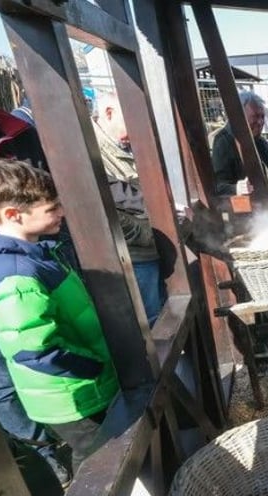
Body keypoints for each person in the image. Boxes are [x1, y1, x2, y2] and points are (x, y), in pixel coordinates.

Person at [0, 160, 120, 473]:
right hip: (69, 394)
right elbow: (34, 350)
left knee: (102, 451)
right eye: (51, 208)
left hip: (81, 386)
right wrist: (92, 365)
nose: (61, 212)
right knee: (98, 462)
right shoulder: (15, 275)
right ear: (13, 215)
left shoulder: (33, 251)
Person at [0, 41, 70, 487]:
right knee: (2, 376)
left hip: (42, 265)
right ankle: (46, 460)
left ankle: (73, 432)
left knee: (54, 347)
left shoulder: (18, 134)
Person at [93, 94, 166, 325]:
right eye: (131, 120)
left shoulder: (130, 145)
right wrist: (155, 221)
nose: (136, 129)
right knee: (153, 322)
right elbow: (115, 204)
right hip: (134, 254)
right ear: (109, 113)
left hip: (151, 247)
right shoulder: (92, 151)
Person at [211, 91, 268, 198]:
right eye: (255, 116)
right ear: (239, 117)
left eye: (262, 117)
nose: (260, 122)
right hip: (242, 211)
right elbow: (217, 186)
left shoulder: (261, 142)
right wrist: (236, 188)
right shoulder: (223, 142)